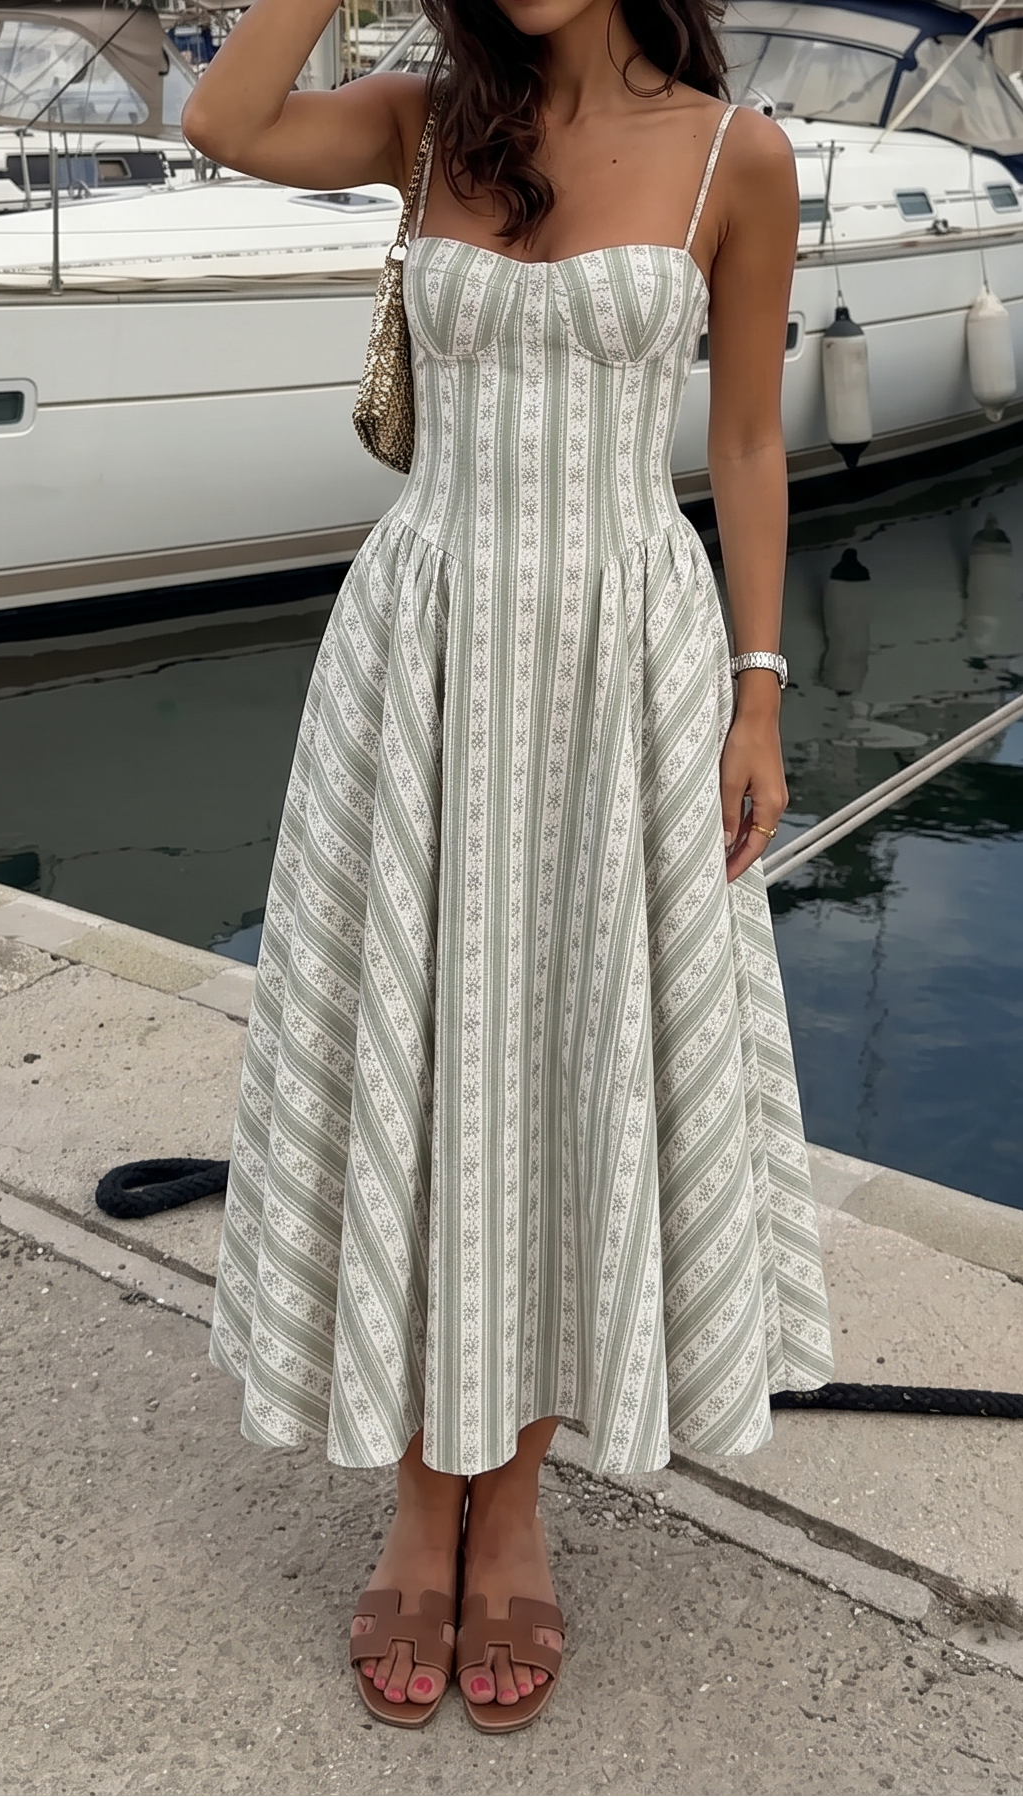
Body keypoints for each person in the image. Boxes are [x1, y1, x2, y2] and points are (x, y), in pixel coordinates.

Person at [182, 0, 833, 1734]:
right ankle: (416, 1494)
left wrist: (760, 691)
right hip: (429, 649)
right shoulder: (422, 119)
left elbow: (750, 442)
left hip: (627, 658)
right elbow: (225, 122)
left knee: (565, 1063)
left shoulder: (733, 154)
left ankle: (515, 1498)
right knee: (413, 1051)